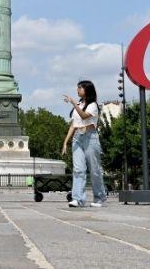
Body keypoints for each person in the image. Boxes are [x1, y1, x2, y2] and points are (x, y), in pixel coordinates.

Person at [62, 80, 107, 208]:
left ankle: (99, 197)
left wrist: (73, 103)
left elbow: (83, 116)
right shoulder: (78, 104)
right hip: (77, 138)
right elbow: (73, 124)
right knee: (78, 169)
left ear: (87, 90)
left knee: (94, 170)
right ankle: (78, 199)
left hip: (90, 138)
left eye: (80, 88)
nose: (77, 90)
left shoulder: (93, 105)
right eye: (77, 88)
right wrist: (65, 142)